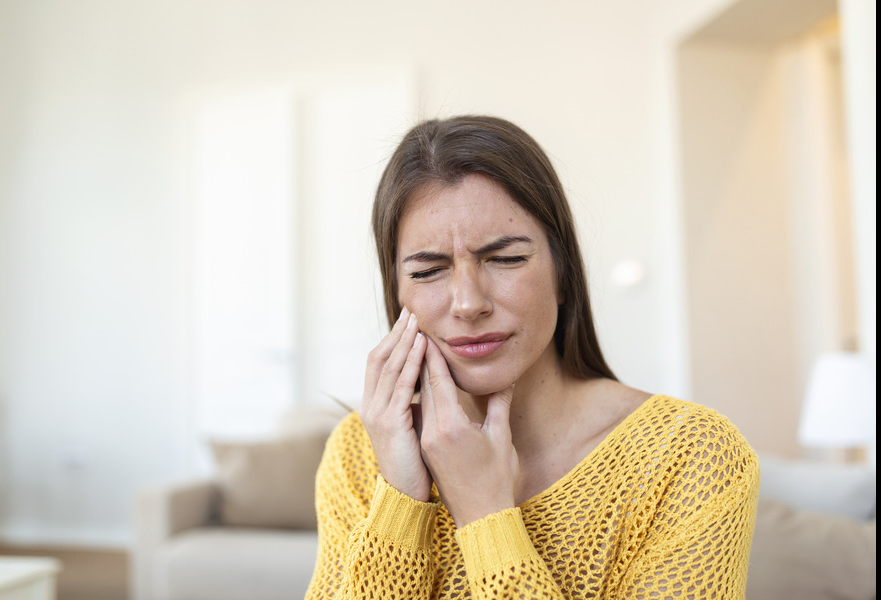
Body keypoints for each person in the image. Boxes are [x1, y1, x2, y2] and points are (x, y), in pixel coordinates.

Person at [304, 115, 759, 599]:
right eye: (429, 270)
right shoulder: (358, 454)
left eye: (506, 259)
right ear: (398, 295)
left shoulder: (692, 456)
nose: (467, 302)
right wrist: (398, 502)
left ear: (564, 274)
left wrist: (485, 515)